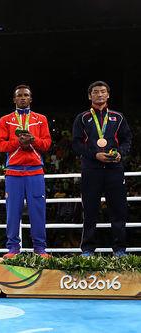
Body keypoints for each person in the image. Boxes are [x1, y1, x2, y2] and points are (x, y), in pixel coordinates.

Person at [72, 81, 132, 257]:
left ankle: (120, 249)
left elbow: (127, 139)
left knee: (118, 210)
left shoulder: (118, 117)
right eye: (95, 92)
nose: (99, 95)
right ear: (90, 96)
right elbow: (76, 144)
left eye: (103, 92)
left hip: (114, 169)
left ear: (108, 95)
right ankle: (88, 249)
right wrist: (94, 155)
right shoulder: (82, 118)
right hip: (91, 169)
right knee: (90, 210)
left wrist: (120, 153)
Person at [0, 85, 52, 259]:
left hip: (35, 171)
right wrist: (18, 142)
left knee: (38, 210)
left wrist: (33, 140)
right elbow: (0, 146)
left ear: (30, 98)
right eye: (19, 95)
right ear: (14, 99)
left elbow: (47, 144)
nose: (22, 98)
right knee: (13, 211)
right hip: (14, 172)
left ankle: (40, 249)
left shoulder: (41, 119)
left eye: (25, 95)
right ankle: (13, 249)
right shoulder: (5, 120)